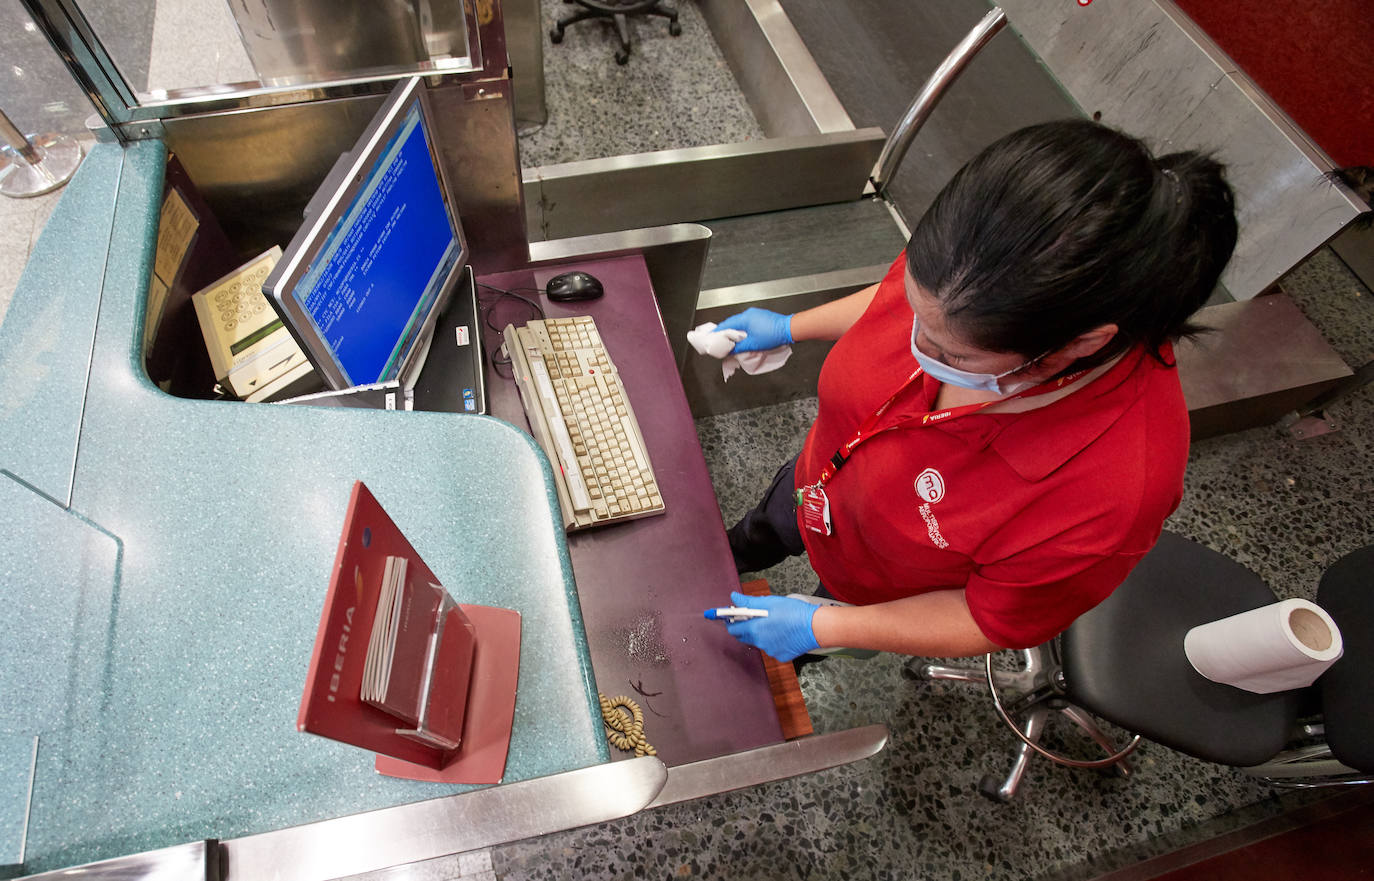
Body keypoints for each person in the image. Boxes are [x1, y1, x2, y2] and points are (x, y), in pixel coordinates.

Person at [710, 119, 1238, 663]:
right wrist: (793, 326)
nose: (916, 344)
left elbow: (987, 619)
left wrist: (824, 626)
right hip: (818, 479)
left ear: (1077, 345)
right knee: (758, 530)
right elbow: (901, 301)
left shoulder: (1112, 494)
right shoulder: (966, 265)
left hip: (880, 584)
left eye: (952, 354)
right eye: (917, 316)